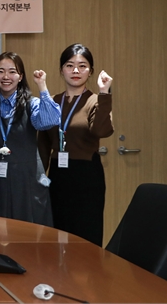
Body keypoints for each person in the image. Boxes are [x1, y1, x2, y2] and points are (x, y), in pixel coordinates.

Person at [38, 44, 113, 246]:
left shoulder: (96, 101)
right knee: (56, 233)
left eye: (82, 66)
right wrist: (39, 177)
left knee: (85, 234)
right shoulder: (52, 101)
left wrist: (104, 92)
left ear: (91, 71)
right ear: (61, 70)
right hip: (57, 175)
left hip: (86, 175)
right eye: (70, 65)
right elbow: (43, 144)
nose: (76, 71)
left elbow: (101, 131)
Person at [0, 52, 60, 225]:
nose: (6, 77)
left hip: (28, 179)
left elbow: (49, 121)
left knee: (30, 231)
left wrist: (42, 86)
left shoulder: (32, 103)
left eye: (12, 71)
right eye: (0, 71)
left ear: (21, 76)